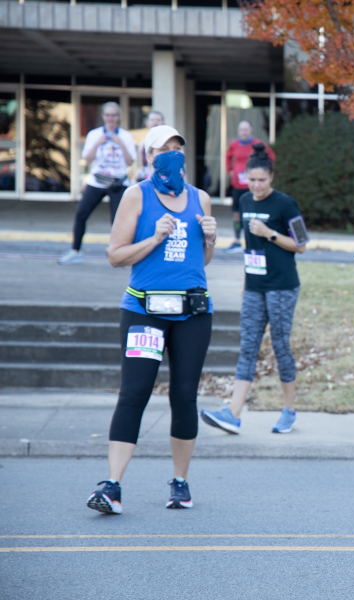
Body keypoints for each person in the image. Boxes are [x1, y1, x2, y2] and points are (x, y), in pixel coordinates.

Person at [86, 125, 218, 514]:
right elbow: (115, 255)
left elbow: (201, 262)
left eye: (178, 147)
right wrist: (156, 238)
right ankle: (112, 486)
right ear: (148, 156)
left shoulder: (201, 199)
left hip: (193, 312)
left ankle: (181, 483)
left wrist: (209, 240)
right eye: (164, 148)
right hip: (144, 310)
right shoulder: (136, 195)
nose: (172, 154)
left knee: (184, 396)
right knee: (134, 395)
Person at [200, 143, 306, 435]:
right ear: (245, 177)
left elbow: (302, 243)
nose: (256, 186)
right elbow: (250, 248)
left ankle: (289, 410)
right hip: (254, 287)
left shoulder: (285, 204)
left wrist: (270, 233)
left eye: (262, 180)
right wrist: (247, 284)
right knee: (247, 347)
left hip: (282, 286)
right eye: (252, 180)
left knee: (280, 346)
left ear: (271, 178)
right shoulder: (245, 201)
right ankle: (233, 413)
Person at [59, 102, 137, 266]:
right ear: (103, 116)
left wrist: (120, 143)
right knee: (81, 213)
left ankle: (119, 254)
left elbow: (130, 162)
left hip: (118, 183)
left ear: (119, 117)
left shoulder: (126, 136)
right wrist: (98, 143)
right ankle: (75, 251)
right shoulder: (94, 134)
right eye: (108, 115)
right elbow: (87, 160)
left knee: (118, 221)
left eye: (114, 115)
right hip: (97, 181)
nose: (111, 118)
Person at [224, 121, 275, 253]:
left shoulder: (258, 144)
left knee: (253, 213)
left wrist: (266, 172)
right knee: (237, 214)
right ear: (238, 131)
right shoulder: (234, 144)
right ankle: (236, 240)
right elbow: (228, 156)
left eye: (246, 129)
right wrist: (229, 170)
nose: (244, 132)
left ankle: (253, 240)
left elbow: (271, 156)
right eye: (242, 130)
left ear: (251, 130)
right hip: (237, 184)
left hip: (253, 185)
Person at [135, 110, 166, 182]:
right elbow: (141, 166)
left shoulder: (167, 144)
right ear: (147, 123)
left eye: (158, 120)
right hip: (147, 179)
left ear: (163, 123)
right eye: (152, 120)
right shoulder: (142, 144)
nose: (155, 122)